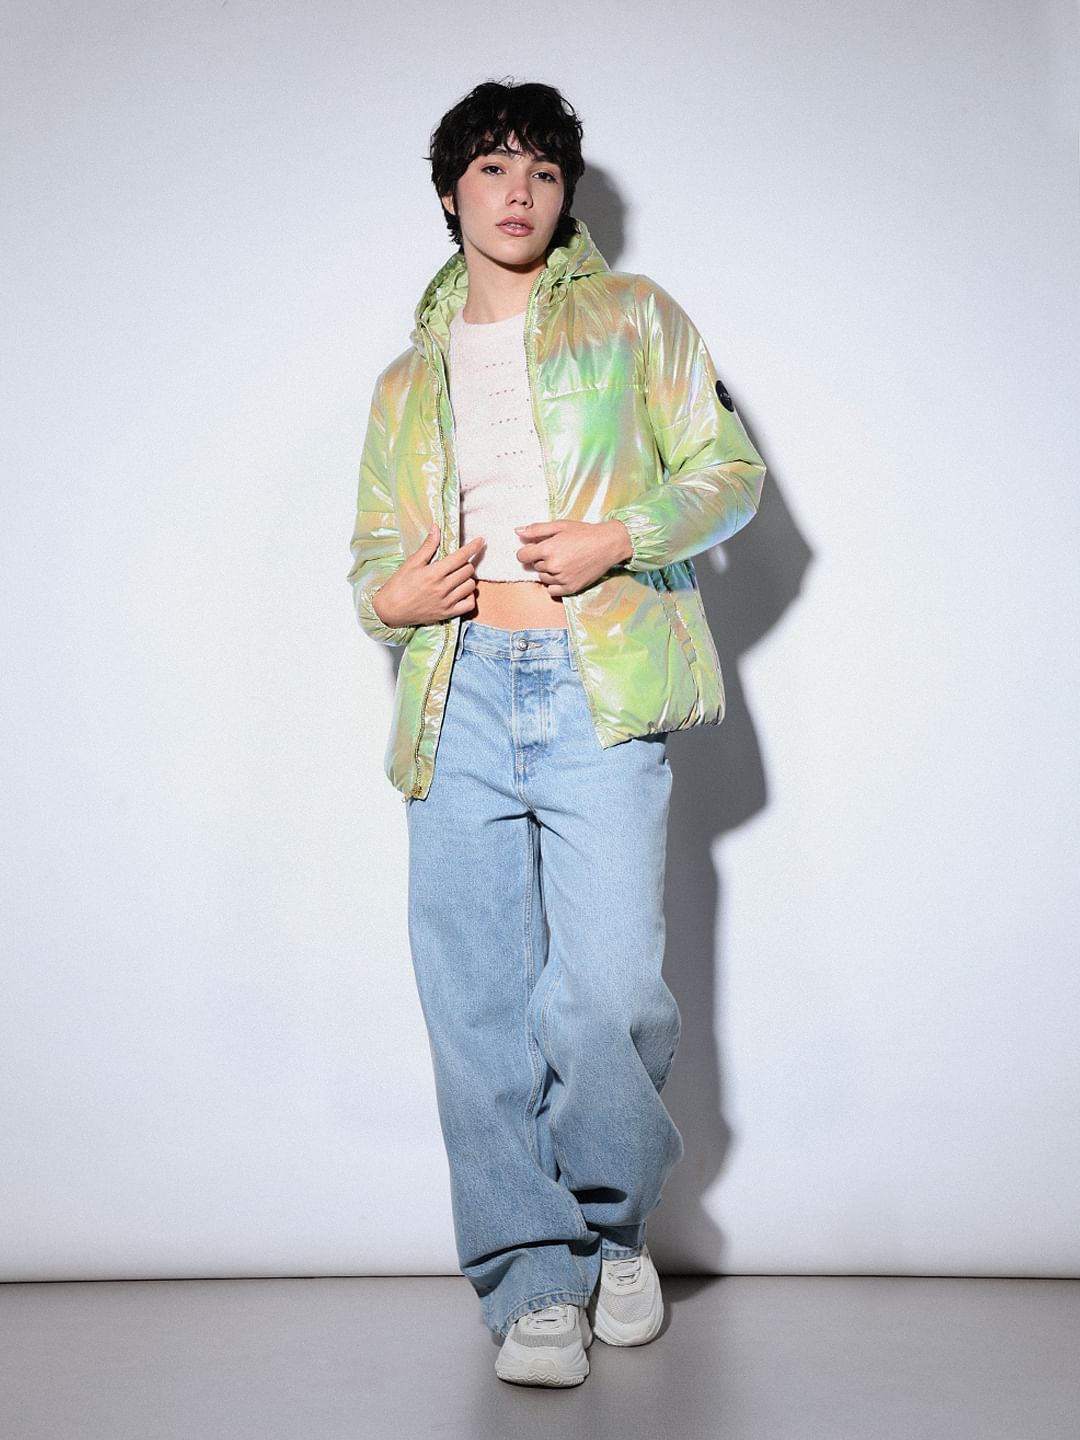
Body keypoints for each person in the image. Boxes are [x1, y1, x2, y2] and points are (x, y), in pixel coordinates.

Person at [346, 79, 766, 1387]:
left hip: (600, 681)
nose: (517, 191)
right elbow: (372, 563)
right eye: (491, 168)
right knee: (474, 1001)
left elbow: (730, 473)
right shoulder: (406, 382)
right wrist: (390, 602)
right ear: (451, 193)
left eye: (539, 169)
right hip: (458, 691)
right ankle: (529, 1274)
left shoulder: (638, 319)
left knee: (607, 990)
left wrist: (620, 535)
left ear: (566, 192)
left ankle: (610, 1228)